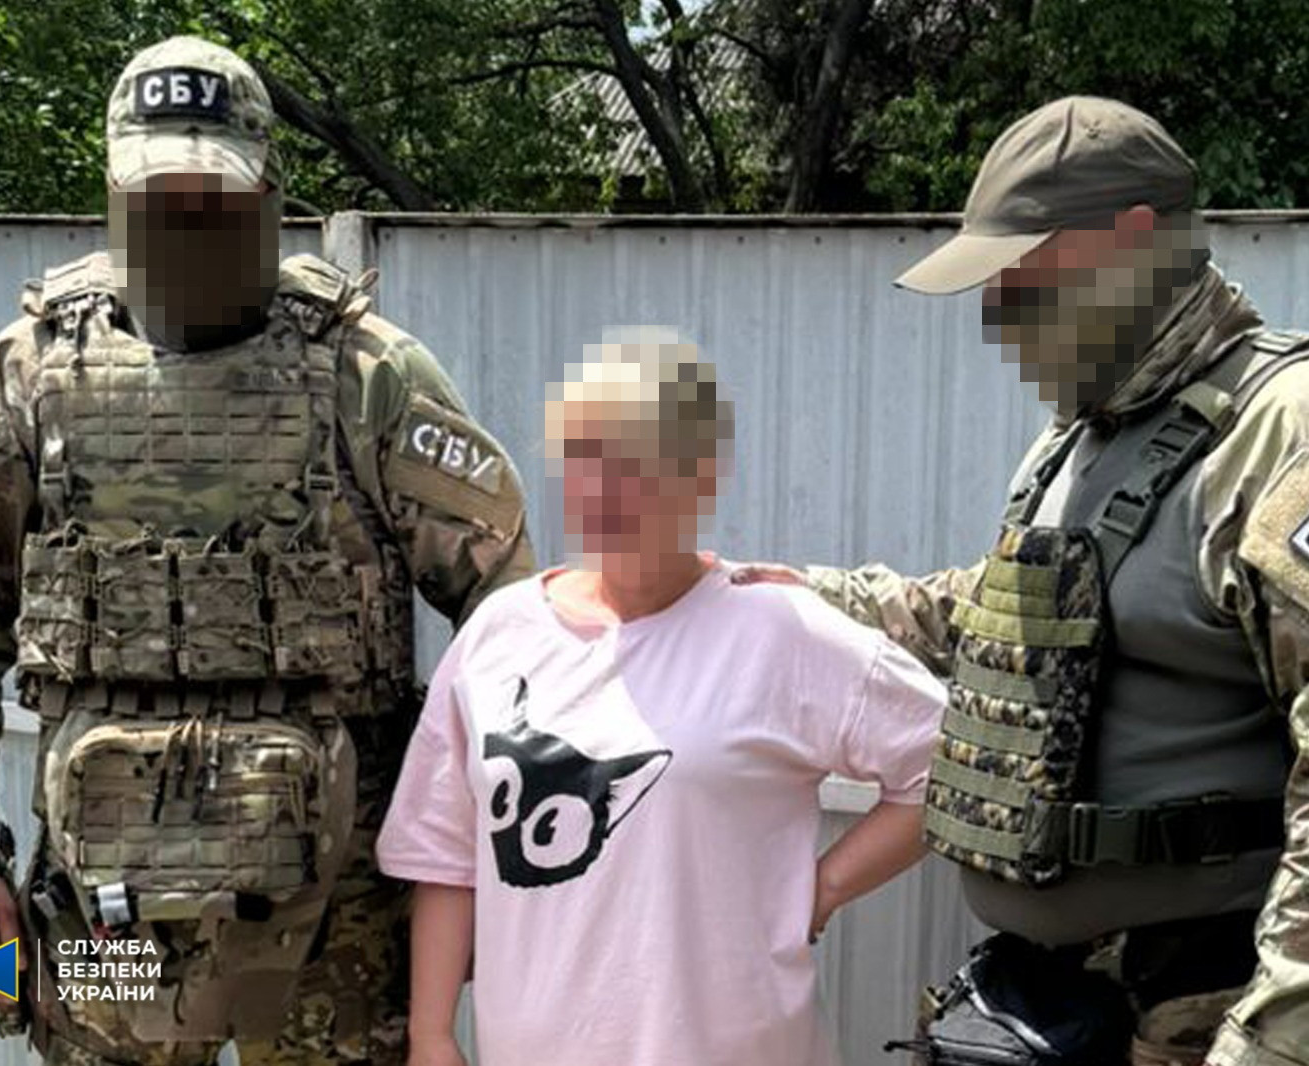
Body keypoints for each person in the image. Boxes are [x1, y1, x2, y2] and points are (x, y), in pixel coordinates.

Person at [733, 96, 1309, 1066]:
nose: (996, 318)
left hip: (1200, 1017)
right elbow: (1012, 613)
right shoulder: (1085, 437)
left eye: (1021, 281)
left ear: (1132, 241)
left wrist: (1269, 1048)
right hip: (1054, 1008)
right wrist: (820, 596)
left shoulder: (1296, 431)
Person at [0, 35, 532, 1066]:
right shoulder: (28, 377)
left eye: (212, 199)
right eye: (158, 199)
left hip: (337, 919)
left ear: (268, 193)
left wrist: (484, 866)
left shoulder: (365, 374)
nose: (185, 226)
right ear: (111, 194)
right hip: (104, 913)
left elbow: (514, 619)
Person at [377, 328, 947, 1066]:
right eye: (589, 460)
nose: (614, 492)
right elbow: (444, 851)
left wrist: (824, 887)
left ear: (704, 477)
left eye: (646, 465)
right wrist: (430, 1034)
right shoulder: (500, 634)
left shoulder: (779, 632)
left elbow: (950, 767)